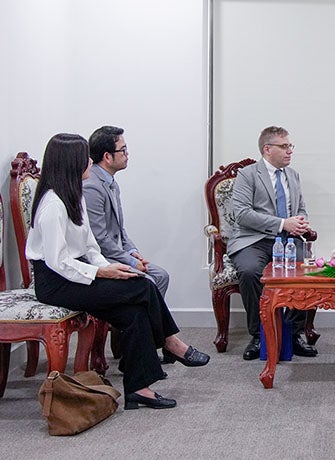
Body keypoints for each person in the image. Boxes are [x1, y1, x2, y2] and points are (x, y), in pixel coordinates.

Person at [27, 133, 209, 410]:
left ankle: (140, 389)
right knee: (144, 286)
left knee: (134, 313)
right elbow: (57, 261)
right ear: (70, 163)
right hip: (56, 282)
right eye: (84, 157)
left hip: (79, 270)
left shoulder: (74, 195)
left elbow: (90, 245)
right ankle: (171, 341)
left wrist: (107, 266)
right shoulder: (53, 205)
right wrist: (100, 274)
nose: (90, 161)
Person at [227, 126, 317, 361]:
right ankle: (259, 335)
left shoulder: (293, 175)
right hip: (252, 240)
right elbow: (242, 214)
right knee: (249, 272)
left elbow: (300, 208)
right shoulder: (248, 175)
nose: (290, 151)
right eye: (284, 146)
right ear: (267, 149)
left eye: (290, 146)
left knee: (306, 273)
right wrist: (281, 223)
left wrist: (300, 223)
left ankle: (293, 334)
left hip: (288, 241)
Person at [83, 125, 170, 296]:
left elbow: (119, 230)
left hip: (116, 254)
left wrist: (133, 252)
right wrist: (129, 260)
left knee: (161, 276)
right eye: (123, 150)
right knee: (148, 283)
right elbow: (99, 239)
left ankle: (149, 322)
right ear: (107, 156)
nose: (127, 154)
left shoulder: (110, 182)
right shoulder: (92, 187)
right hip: (99, 259)